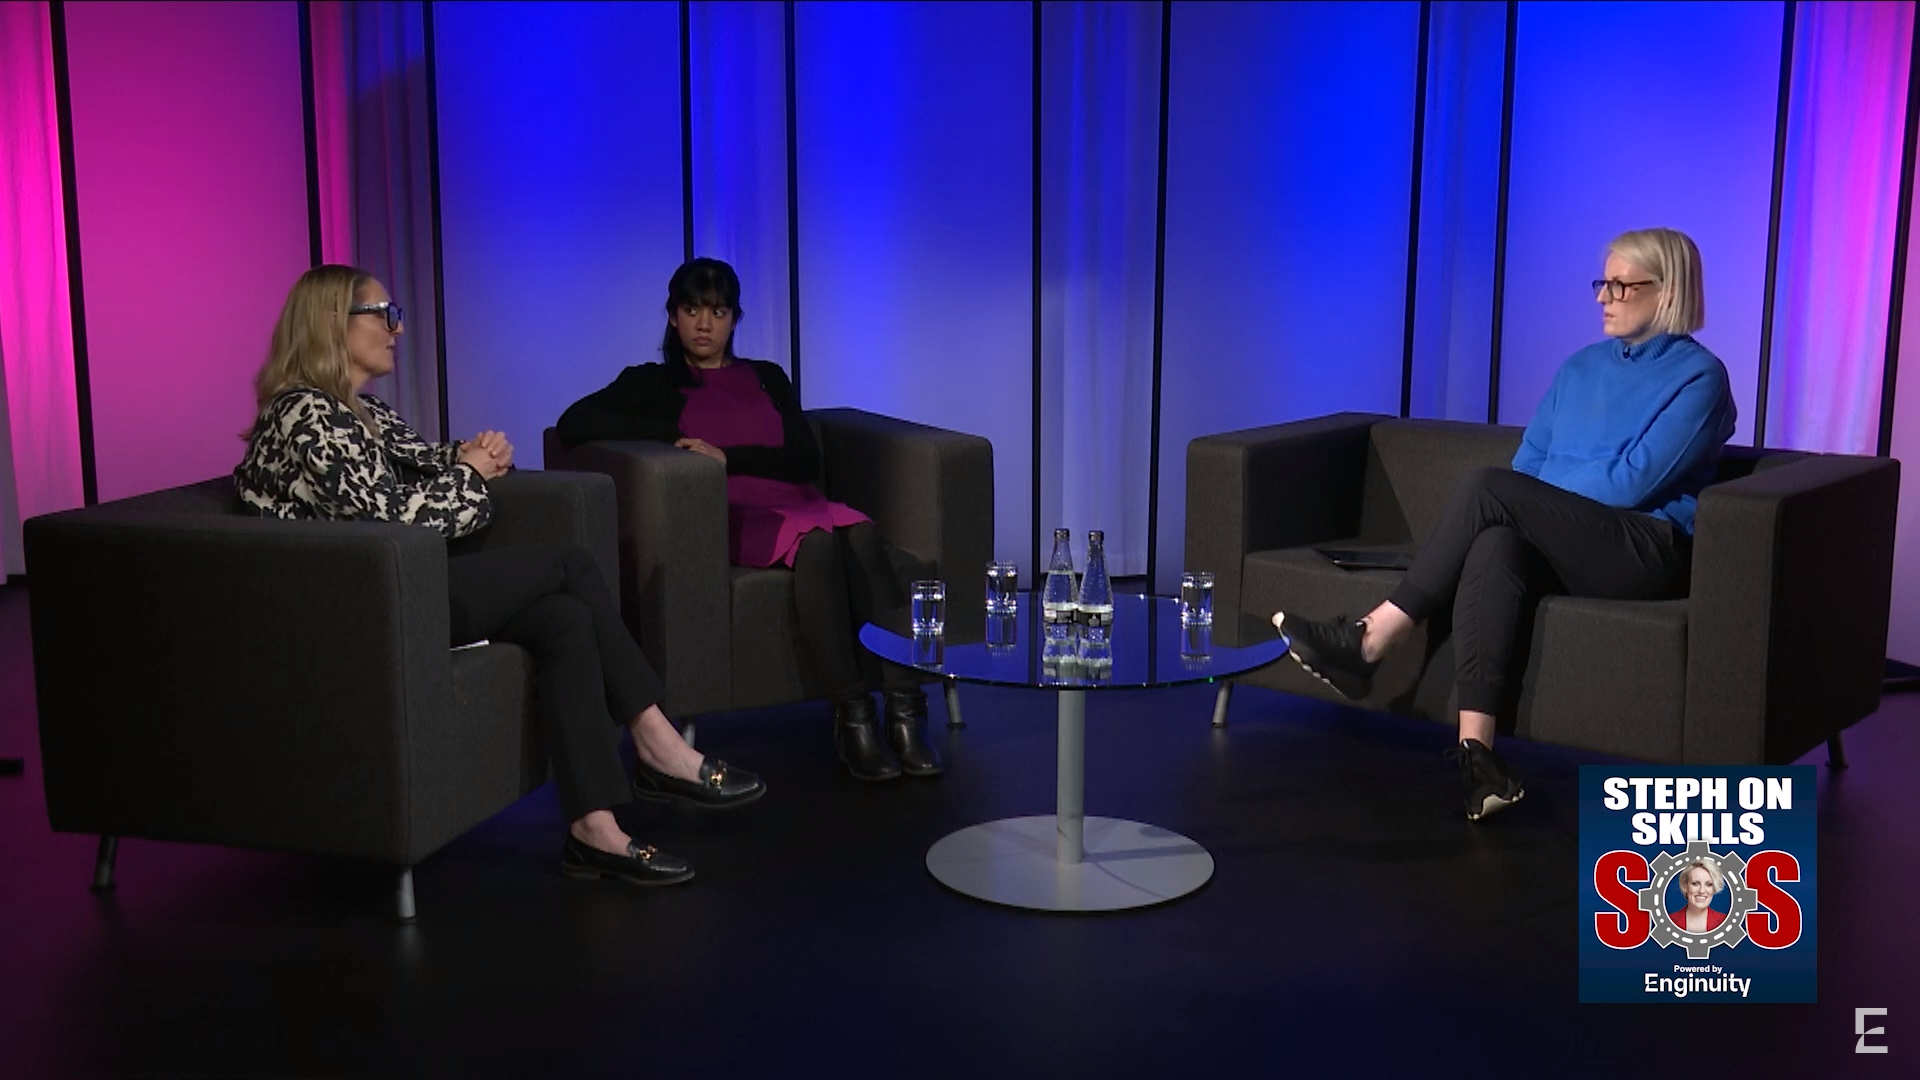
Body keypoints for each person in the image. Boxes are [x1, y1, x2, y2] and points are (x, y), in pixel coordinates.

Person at [234, 265, 764, 888]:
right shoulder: (304, 416)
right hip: (358, 613)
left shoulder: (362, 411)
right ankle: (655, 738)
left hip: (407, 590)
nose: (396, 329)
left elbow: (441, 477)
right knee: (569, 562)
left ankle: (595, 829)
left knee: (563, 617)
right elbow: (393, 519)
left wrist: (473, 461)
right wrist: (472, 474)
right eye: (382, 313)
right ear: (330, 323)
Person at [1275, 228, 1736, 822]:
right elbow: (1530, 467)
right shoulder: (1579, 368)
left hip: (1643, 547)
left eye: (1622, 285)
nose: (1604, 297)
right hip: (1571, 540)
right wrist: (1543, 494)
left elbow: (1630, 484)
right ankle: (1479, 759)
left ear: (1668, 290)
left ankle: (1371, 638)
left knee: (1488, 488)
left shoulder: (1701, 378)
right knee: (1495, 541)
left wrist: (1541, 493)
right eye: (1603, 283)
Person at [555, 257, 941, 783]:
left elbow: (806, 458)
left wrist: (729, 455)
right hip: (737, 513)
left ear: (736, 318)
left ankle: (905, 710)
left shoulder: (766, 377)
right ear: (672, 317)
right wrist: (666, 436)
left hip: (800, 500)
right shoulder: (653, 382)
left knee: (864, 533)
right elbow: (575, 422)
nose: (705, 324)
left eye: (718, 311)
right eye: (692, 310)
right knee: (820, 547)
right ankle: (852, 716)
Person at [1669, 860, 1727, 932]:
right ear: (1685, 887)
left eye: (1708, 884)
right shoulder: (1668, 921)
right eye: (1695, 883)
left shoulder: (1725, 921)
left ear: (1714, 888)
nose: (1702, 891)